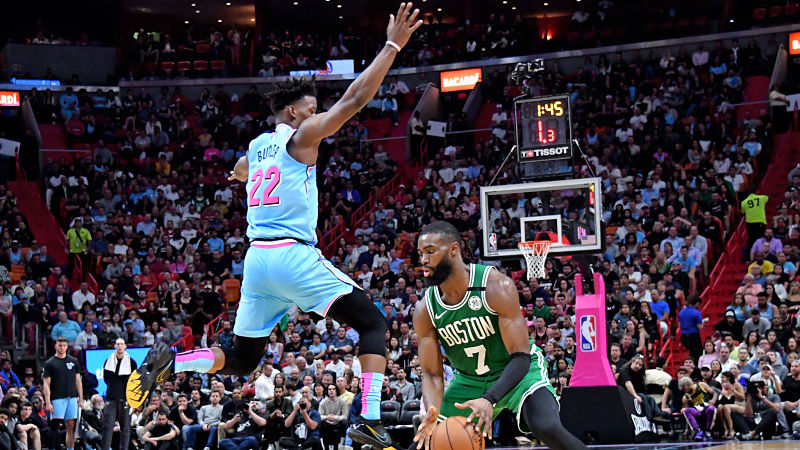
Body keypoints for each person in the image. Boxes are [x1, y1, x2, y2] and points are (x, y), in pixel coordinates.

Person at [127, 5, 423, 449]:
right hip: (290, 254)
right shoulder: (300, 137)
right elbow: (356, 100)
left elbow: (243, 168)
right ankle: (371, 418)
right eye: (310, 109)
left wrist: (237, 175)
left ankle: (177, 361)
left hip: (258, 261)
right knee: (373, 323)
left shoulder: (257, 145)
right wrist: (392, 45)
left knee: (243, 358)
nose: (316, 115)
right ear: (292, 111)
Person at [412, 221, 587, 450]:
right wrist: (433, 409)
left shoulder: (495, 287)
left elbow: (521, 356)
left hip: (518, 373)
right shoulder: (425, 309)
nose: (423, 260)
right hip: (469, 380)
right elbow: (432, 374)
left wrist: (490, 399)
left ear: (454, 249)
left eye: (430, 252)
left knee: (547, 427)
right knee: (424, 442)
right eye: (420, 253)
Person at [42, 337, 83, 450]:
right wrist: (48, 402)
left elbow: (78, 382)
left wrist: (80, 398)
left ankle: (70, 448)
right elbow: (46, 384)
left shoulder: (74, 361)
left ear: (67, 346)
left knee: (71, 426)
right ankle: (53, 448)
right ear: (55, 346)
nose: (62, 348)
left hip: (72, 397)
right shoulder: (50, 363)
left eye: (64, 345)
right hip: (57, 398)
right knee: (55, 425)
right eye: (59, 345)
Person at [102, 338, 136, 450]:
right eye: (117, 344)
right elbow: (106, 379)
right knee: (108, 426)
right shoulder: (108, 361)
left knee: (125, 428)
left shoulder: (132, 362)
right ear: (114, 346)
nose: (120, 346)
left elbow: (135, 381)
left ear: (125, 346)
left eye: (122, 344)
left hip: (126, 399)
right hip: (111, 399)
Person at [678, 294, 706, 360]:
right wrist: (703, 323)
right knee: (697, 354)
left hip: (684, 336)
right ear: (697, 303)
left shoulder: (681, 312)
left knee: (692, 352)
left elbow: (679, 325)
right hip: (693, 336)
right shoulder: (696, 313)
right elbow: (700, 327)